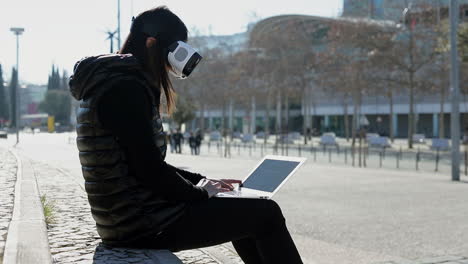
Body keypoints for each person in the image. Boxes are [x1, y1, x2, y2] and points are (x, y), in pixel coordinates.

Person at [69, 6, 303, 264]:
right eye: (173, 50)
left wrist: (205, 182)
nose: (171, 64)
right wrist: (201, 193)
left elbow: (145, 162)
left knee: (245, 211)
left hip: (128, 218)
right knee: (266, 214)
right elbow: (149, 170)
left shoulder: (113, 81)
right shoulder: (125, 88)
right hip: (142, 224)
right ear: (151, 43)